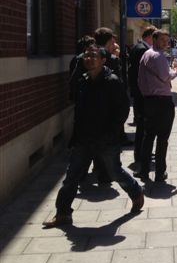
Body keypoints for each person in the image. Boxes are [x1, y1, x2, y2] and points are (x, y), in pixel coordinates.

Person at [43, 45, 144, 228]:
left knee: (114, 172)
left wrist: (112, 132)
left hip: (106, 140)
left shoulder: (112, 81)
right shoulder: (82, 81)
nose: (88, 58)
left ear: (103, 60)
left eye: (93, 55)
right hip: (84, 139)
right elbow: (79, 111)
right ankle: (63, 213)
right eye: (86, 55)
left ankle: (136, 192)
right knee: (71, 177)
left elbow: (122, 110)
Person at [137, 29, 177, 183]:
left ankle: (144, 171)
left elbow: (140, 80)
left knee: (148, 138)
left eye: (167, 40)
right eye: (162, 40)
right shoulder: (158, 56)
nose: (165, 43)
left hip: (148, 101)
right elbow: (166, 76)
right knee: (162, 139)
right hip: (162, 102)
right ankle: (160, 173)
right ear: (154, 39)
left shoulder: (146, 54)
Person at [128, 26, 156, 163]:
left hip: (140, 92)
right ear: (150, 36)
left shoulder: (140, 47)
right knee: (143, 125)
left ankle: (144, 152)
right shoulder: (142, 50)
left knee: (144, 125)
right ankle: (141, 154)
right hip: (142, 94)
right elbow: (141, 75)